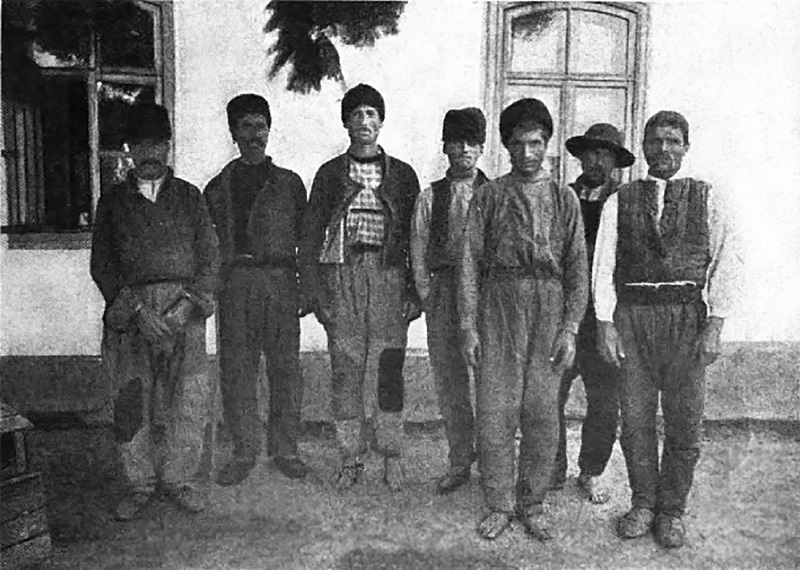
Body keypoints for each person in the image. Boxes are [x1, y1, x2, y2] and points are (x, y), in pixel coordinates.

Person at [593, 110, 741, 548]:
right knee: (635, 418)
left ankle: (671, 510)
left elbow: (727, 261)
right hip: (633, 317)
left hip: (686, 319)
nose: (664, 149)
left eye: (673, 141)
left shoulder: (708, 197)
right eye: (655, 140)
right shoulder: (621, 200)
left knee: (685, 421)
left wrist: (715, 324)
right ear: (643, 147)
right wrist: (605, 324)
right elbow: (604, 264)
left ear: (686, 147)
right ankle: (643, 502)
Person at [460, 98, 588, 541]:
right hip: (499, 303)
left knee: (541, 411)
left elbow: (577, 268)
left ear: (547, 144)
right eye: (518, 144)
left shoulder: (564, 198)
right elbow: (470, 263)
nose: (527, 153)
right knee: (495, 409)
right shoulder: (489, 196)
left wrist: (570, 327)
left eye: (536, 143)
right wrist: (469, 327)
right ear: (506, 146)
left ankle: (533, 503)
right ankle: (499, 502)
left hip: (548, 306)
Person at [91, 102, 220, 521]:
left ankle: (180, 479)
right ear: (129, 149)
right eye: (141, 144)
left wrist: (186, 306)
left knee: (189, 398)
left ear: (168, 146)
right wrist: (136, 310)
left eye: (157, 143)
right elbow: (102, 264)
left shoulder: (189, 197)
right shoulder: (113, 202)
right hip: (133, 315)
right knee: (130, 400)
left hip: (184, 311)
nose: (150, 153)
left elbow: (210, 258)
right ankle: (139, 483)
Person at [300, 84, 421, 491]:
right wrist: (316, 293)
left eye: (371, 113)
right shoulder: (329, 174)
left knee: (389, 369)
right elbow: (310, 235)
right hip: (343, 276)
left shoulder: (402, 174)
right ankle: (350, 457)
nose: (364, 121)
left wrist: (414, 291)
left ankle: (391, 455)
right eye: (356, 114)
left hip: (388, 279)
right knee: (345, 370)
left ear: (381, 122)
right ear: (346, 123)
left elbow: (416, 238)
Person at [204, 94, 310, 486]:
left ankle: (285, 449)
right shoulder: (216, 188)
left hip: (280, 282)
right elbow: (208, 245)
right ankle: (243, 451)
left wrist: (306, 289)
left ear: (269, 130)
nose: (254, 135)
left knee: (286, 369)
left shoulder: (289, 184)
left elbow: (307, 241)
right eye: (245, 127)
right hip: (236, 284)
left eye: (260, 126)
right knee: (237, 369)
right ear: (233, 133)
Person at [553, 123, 635, 503]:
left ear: (615, 161)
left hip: (604, 319)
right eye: (591, 153)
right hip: (564, 316)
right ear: (581, 157)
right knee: (550, 395)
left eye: (605, 154)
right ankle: (551, 468)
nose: (597, 161)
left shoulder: (625, 203)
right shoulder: (562, 198)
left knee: (604, 402)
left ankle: (591, 471)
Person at [410, 108, 489, 495]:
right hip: (443, 292)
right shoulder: (430, 197)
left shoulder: (494, 193)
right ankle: (459, 460)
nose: (464, 150)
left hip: (487, 295)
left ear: (482, 147)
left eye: (471, 142)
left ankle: (492, 462)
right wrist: (427, 294)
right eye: (456, 142)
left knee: (490, 379)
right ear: (445, 147)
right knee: (450, 380)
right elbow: (418, 248)